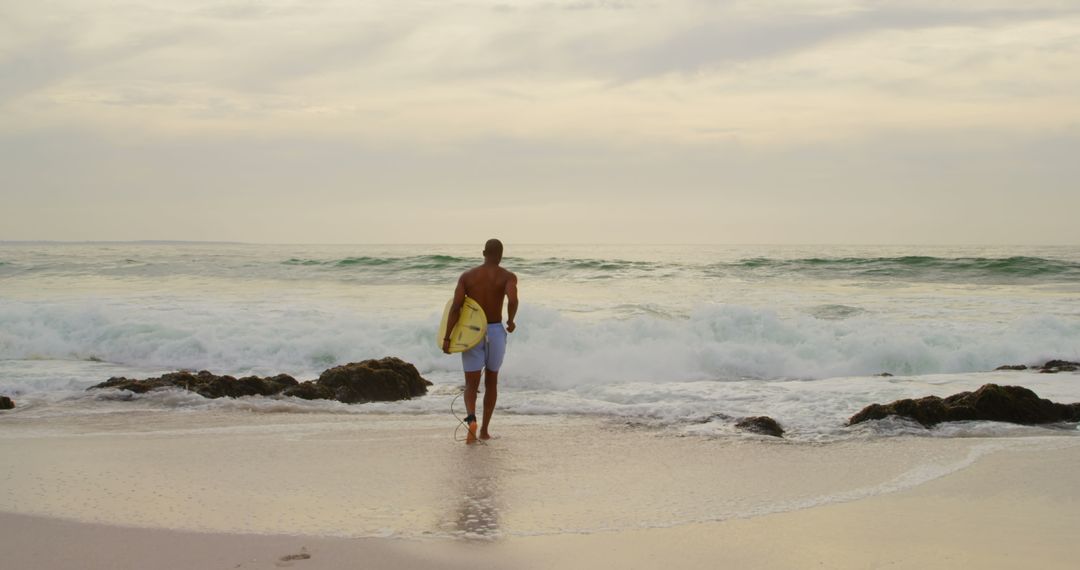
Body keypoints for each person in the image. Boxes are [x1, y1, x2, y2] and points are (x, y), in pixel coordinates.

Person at [443, 239, 518, 442]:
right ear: (501, 255)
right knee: (491, 380)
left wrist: (448, 337)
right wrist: (510, 321)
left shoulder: (467, 277)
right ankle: (484, 430)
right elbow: (513, 300)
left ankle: (471, 421)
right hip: (495, 331)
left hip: (472, 332)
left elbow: (456, 307)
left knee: (470, 384)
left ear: (483, 252)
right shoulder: (508, 277)